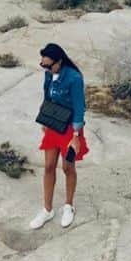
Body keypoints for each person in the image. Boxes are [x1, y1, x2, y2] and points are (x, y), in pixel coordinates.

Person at [29, 42, 89, 229]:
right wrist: (45, 120)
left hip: (70, 127)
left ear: (59, 61)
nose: (45, 68)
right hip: (53, 124)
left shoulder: (74, 78)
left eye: (48, 65)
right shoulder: (48, 75)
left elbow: (80, 107)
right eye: (42, 65)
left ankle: (68, 206)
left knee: (67, 167)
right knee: (48, 166)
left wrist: (76, 135)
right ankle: (47, 209)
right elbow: (47, 97)